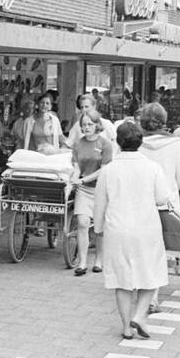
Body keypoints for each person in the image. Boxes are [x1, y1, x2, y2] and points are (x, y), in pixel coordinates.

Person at [93, 122, 176, 341]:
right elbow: (161, 198)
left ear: (118, 143)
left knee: (121, 280)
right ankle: (139, 315)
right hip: (146, 227)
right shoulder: (152, 167)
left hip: (117, 228)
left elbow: (99, 203)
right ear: (141, 142)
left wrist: (98, 228)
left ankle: (126, 327)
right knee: (150, 275)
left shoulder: (109, 170)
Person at [70, 113, 113, 276]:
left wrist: (84, 179)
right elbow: (76, 166)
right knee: (82, 222)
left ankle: (99, 260)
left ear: (97, 125)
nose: (86, 128)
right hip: (83, 188)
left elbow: (104, 169)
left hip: (100, 189)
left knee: (99, 227)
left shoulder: (105, 144)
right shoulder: (78, 144)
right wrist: (75, 177)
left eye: (89, 124)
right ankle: (82, 262)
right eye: (84, 124)